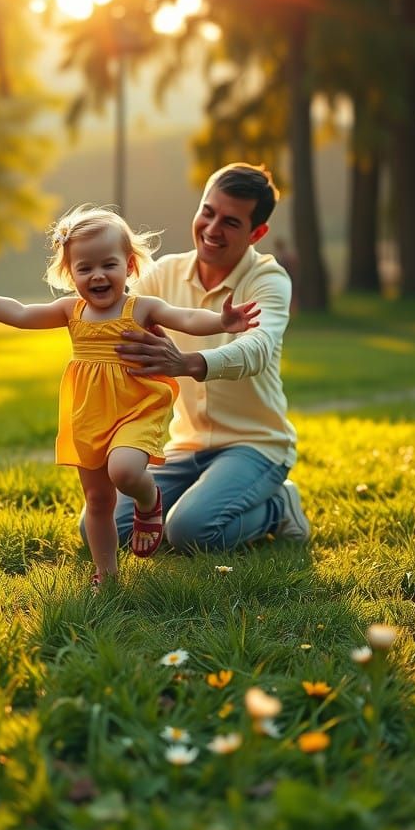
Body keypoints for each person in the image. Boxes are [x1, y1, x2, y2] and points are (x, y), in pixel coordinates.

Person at [0, 204, 260, 588]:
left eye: (108, 265)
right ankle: (108, 574)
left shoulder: (141, 307)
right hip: (89, 414)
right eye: (85, 268)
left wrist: (222, 321)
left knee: (125, 471)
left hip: (136, 408)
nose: (97, 275)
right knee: (98, 500)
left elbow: (186, 318)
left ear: (129, 266)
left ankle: (150, 501)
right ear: (70, 274)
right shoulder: (71, 311)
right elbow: (20, 312)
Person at [106, 162, 311, 553]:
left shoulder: (268, 279)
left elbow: (258, 349)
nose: (212, 229)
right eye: (208, 212)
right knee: (107, 525)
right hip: (185, 447)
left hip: (256, 445)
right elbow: (112, 317)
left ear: (258, 233)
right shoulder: (163, 275)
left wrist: (187, 363)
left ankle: (279, 507)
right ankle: (196, 504)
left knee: (190, 531)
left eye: (231, 222)